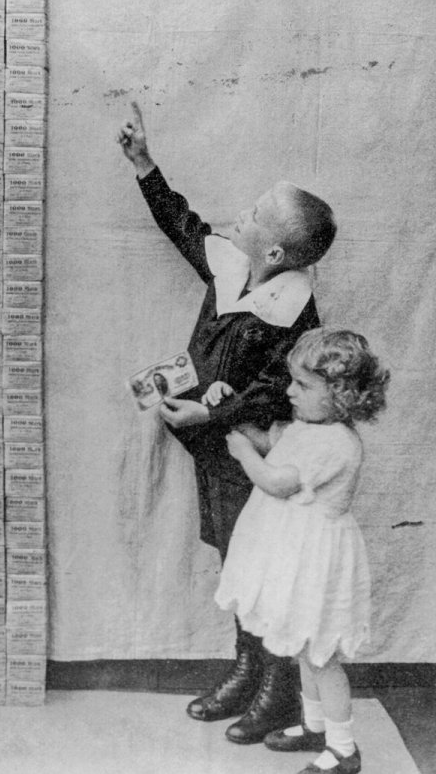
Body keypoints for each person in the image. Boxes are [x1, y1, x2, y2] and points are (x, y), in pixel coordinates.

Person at [117, 101, 337, 743]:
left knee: (262, 566)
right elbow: (181, 224)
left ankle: (280, 688)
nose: (239, 214)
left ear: (274, 249)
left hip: (253, 453)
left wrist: (213, 410)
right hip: (212, 449)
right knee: (234, 559)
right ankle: (248, 670)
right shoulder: (233, 265)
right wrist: (144, 164)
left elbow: (276, 390)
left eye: (254, 213)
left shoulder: (296, 308)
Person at [213, 328, 389, 773]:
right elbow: (272, 445)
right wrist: (230, 411)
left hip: (316, 560)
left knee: (320, 654)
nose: (289, 392)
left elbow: (276, 481)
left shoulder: (337, 443)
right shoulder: (307, 428)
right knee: (302, 644)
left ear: (340, 394)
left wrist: (243, 453)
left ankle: (344, 750)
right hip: (295, 552)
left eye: (302, 385)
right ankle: (314, 726)